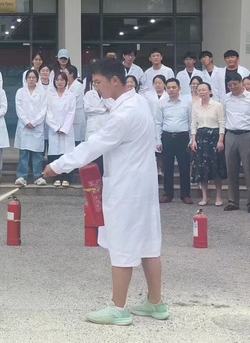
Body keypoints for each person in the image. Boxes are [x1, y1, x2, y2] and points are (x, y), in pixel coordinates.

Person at [43, 58, 165, 326]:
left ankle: (118, 308)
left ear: (115, 80)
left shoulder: (123, 114)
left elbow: (93, 146)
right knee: (148, 243)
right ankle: (156, 303)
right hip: (142, 186)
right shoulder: (138, 102)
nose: (96, 88)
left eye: (98, 83)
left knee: (122, 244)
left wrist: (57, 166)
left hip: (127, 187)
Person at [222, 73, 250, 213]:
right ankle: (233, 201)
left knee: (249, 169)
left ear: (241, 83)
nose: (232, 87)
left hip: (247, 134)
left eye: (235, 83)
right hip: (230, 134)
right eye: (230, 85)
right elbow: (224, 116)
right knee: (231, 170)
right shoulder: (226, 98)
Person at [156, 78, 193, 204]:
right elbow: (158, 122)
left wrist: (192, 139)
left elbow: (191, 121)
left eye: (174, 87)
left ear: (179, 88)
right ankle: (168, 194)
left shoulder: (187, 103)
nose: (171, 90)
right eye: (169, 88)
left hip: (183, 137)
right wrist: (158, 140)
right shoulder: (162, 103)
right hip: (167, 137)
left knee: (184, 167)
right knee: (167, 167)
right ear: (166, 89)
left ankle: (185, 194)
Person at [190, 82, 226, 206]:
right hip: (201, 138)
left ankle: (218, 196)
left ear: (210, 91)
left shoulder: (217, 105)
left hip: (214, 138)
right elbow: (193, 124)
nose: (202, 92)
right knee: (202, 168)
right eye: (199, 90)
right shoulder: (195, 106)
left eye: (204, 90)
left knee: (216, 168)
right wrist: (193, 140)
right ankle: (204, 196)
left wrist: (221, 140)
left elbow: (222, 123)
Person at [14, 70, 47, 186]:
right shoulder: (20, 92)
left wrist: (35, 122)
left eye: (33, 77)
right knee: (24, 153)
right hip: (24, 126)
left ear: (37, 79)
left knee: (37, 153)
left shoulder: (42, 92)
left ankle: (37, 176)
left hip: (37, 126)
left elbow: (44, 109)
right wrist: (26, 122)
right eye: (29, 77)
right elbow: (19, 108)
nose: (31, 79)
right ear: (26, 79)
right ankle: (22, 176)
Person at [45, 72, 76, 187]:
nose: (59, 82)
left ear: (66, 82)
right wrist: (56, 127)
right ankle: (56, 177)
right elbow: (48, 112)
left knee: (67, 154)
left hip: (67, 130)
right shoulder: (50, 95)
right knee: (55, 154)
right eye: (57, 80)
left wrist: (64, 128)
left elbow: (71, 112)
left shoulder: (70, 95)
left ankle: (67, 177)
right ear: (54, 81)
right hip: (54, 130)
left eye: (62, 80)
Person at [67, 65, 86, 145]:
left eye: (66, 73)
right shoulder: (67, 85)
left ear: (71, 74)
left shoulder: (78, 85)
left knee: (76, 141)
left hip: (76, 116)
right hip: (69, 117)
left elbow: (71, 100)